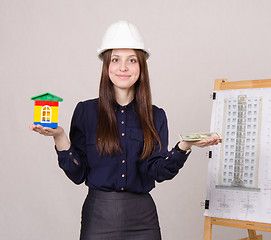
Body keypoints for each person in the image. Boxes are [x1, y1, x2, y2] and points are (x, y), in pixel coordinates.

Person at [29, 20, 219, 240]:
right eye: (115, 60)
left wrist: (184, 146)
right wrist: (60, 137)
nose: (123, 68)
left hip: (143, 219)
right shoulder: (86, 111)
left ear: (141, 67)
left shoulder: (156, 116)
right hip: (98, 216)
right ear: (106, 65)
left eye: (131, 61)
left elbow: (157, 171)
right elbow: (77, 174)